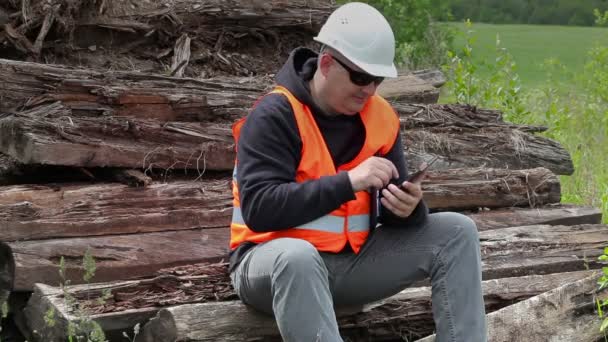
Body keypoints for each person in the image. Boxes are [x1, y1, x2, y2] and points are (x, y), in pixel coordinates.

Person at [228, 2, 487, 341]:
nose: (369, 90)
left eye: (377, 79)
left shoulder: (381, 118)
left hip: (350, 264)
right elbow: (260, 209)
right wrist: (349, 182)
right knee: (298, 257)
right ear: (325, 63)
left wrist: (408, 209)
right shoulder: (275, 115)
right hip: (268, 265)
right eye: (360, 77)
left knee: (457, 231)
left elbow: (391, 218)